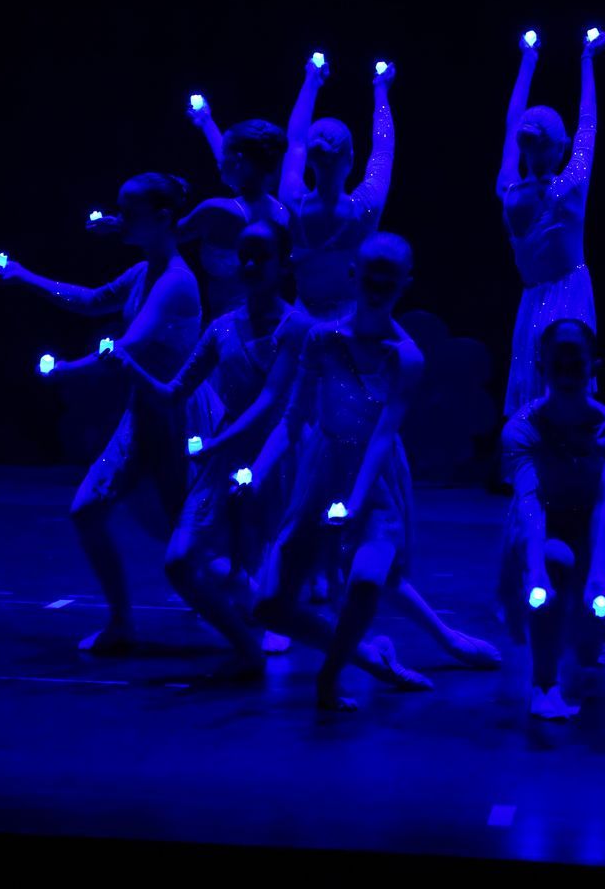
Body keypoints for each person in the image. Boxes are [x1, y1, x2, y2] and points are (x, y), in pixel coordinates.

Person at [0, 172, 202, 656]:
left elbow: (128, 348)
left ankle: (257, 613)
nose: (120, 219)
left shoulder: (175, 282)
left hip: (174, 420)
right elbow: (91, 301)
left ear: (162, 217)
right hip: (141, 416)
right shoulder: (146, 271)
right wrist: (23, 276)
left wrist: (66, 372)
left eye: (129, 213)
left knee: (189, 541)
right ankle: (122, 622)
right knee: (88, 511)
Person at [107, 221, 306, 671]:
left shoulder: (297, 328)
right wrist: (129, 365)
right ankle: (246, 644)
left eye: (261, 256)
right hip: (228, 451)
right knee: (180, 562)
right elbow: (172, 393)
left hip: (277, 450)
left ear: (284, 264)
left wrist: (215, 443)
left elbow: (271, 401)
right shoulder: (222, 329)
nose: (250, 264)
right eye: (244, 255)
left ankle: (273, 617)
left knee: (265, 542)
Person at [249, 233, 435, 711]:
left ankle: (328, 678)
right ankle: (367, 656)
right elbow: (292, 420)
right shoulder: (322, 338)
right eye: (372, 274)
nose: (378, 285)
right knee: (269, 607)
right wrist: (256, 474)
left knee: (368, 579)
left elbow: (383, 434)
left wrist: (354, 503)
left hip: (373, 480)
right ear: (353, 273)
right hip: (323, 469)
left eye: (390, 278)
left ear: (406, 282)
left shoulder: (406, 357)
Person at [497, 319, 605, 720]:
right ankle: (543, 685)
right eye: (559, 361)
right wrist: (535, 569)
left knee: (589, 650)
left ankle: (584, 638)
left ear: (594, 365)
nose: (568, 370)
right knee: (553, 563)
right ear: (542, 365)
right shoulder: (521, 429)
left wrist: (600, 573)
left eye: (577, 361)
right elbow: (530, 503)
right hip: (541, 525)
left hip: (591, 526)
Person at [498, 29, 604, 421]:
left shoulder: (508, 191)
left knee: (533, 393)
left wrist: (527, 61)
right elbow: (588, 124)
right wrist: (587, 60)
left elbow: (511, 125)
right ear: (561, 145)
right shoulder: (572, 185)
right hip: (570, 298)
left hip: (530, 303)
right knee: (568, 391)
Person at [281, 54, 396, 321]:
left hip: (302, 325)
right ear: (351, 159)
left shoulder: (291, 201)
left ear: (309, 159)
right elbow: (383, 148)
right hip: (351, 326)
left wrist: (311, 82)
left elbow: (295, 140)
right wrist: (381, 91)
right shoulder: (366, 207)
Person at [177, 112, 291, 318]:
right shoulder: (281, 214)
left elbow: (163, 235)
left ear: (238, 160)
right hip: (273, 318)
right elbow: (239, 172)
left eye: (223, 153)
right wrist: (207, 124)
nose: (219, 162)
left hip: (231, 326)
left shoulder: (216, 211)